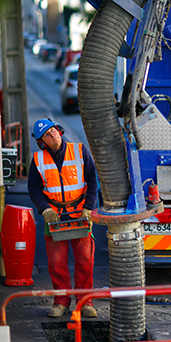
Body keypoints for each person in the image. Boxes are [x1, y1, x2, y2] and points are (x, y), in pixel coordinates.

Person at [28, 118, 98, 318]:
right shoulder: (38, 160)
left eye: (53, 131)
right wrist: (44, 210)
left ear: (59, 130)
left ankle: (85, 302)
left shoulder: (79, 150)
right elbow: (34, 188)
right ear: (42, 142)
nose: (52, 135)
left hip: (79, 214)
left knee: (85, 260)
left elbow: (92, 180)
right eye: (47, 135)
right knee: (57, 263)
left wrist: (89, 208)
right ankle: (61, 302)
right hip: (54, 217)